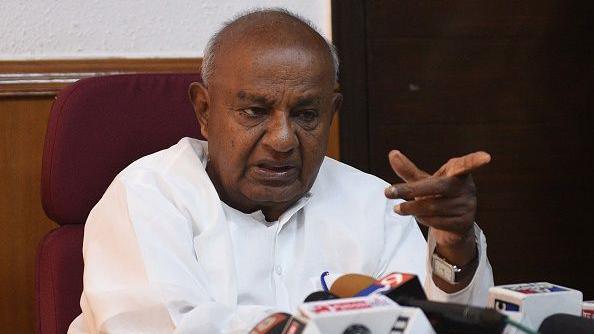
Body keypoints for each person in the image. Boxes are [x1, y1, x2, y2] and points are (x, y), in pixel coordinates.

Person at [68, 8, 493, 334]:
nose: (283, 139)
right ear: (204, 110)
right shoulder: (147, 195)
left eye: (307, 114)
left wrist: (454, 248)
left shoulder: (372, 202)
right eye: (255, 111)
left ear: (332, 113)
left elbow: (430, 323)